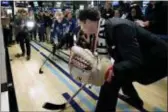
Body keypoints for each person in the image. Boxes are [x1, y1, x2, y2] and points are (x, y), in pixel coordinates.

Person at [77, 8, 167, 112]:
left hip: (159, 60)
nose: (81, 28)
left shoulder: (119, 27)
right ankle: (135, 100)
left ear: (88, 21)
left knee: (111, 77)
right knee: (119, 69)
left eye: (81, 24)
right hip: (145, 58)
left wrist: (106, 70)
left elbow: (134, 61)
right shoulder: (104, 28)